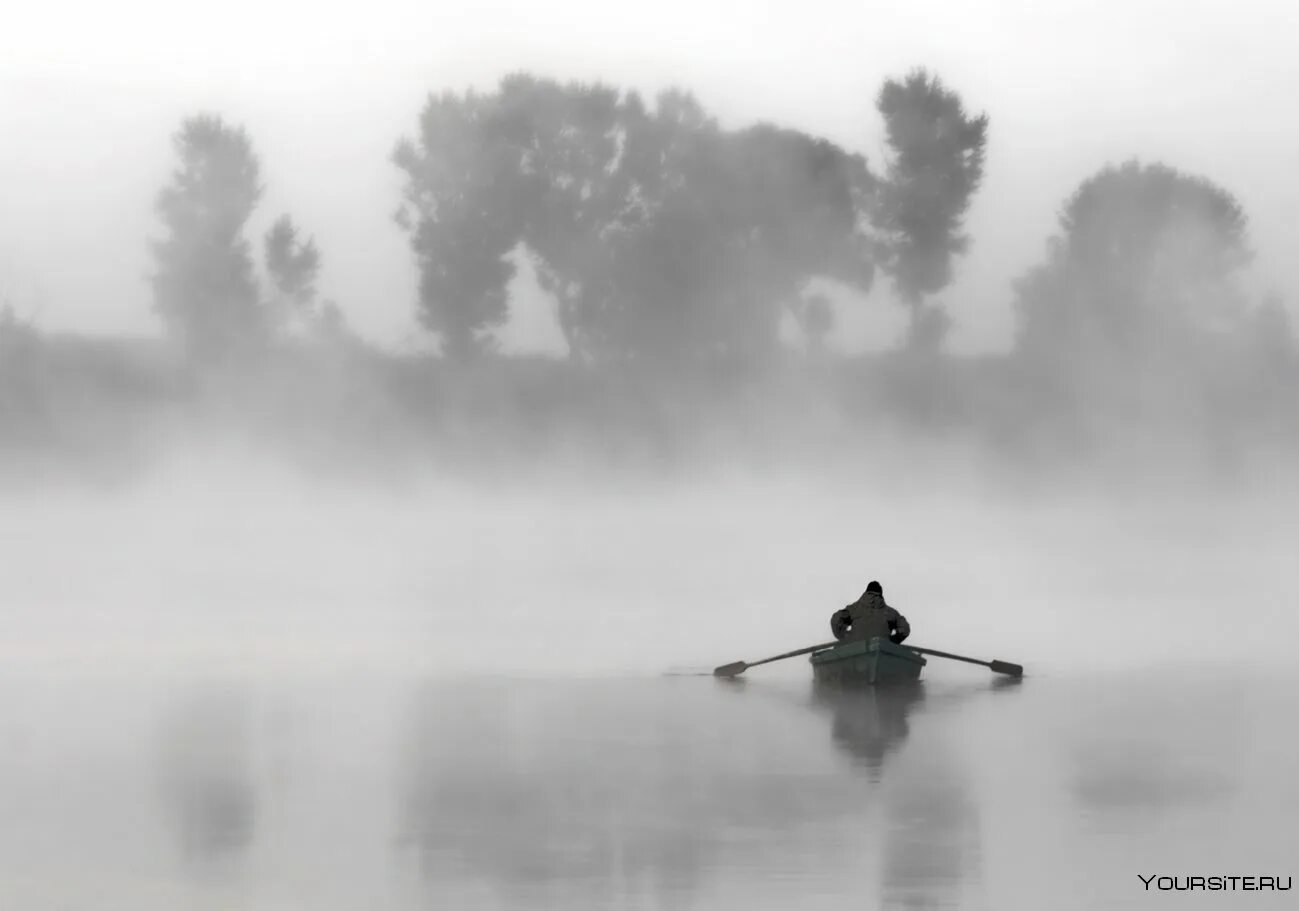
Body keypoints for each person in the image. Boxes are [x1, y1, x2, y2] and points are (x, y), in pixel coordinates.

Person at [830, 581, 911, 645]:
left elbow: (836, 619)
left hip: (855, 649)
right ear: (881, 595)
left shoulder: (854, 609)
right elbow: (905, 629)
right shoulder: (891, 612)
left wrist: (844, 637)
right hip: (883, 649)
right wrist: (893, 641)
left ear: (866, 592)